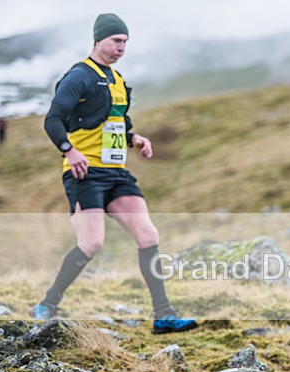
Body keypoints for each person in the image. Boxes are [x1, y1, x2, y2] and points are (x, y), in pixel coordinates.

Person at [32, 13, 197, 335]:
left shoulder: (117, 80)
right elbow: (53, 119)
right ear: (98, 40)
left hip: (116, 174)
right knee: (92, 243)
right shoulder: (78, 76)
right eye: (116, 41)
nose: (121, 47)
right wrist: (69, 149)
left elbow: (118, 122)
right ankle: (48, 302)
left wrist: (136, 139)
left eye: (125, 42)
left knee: (148, 236)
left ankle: (163, 315)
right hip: (84, 173)